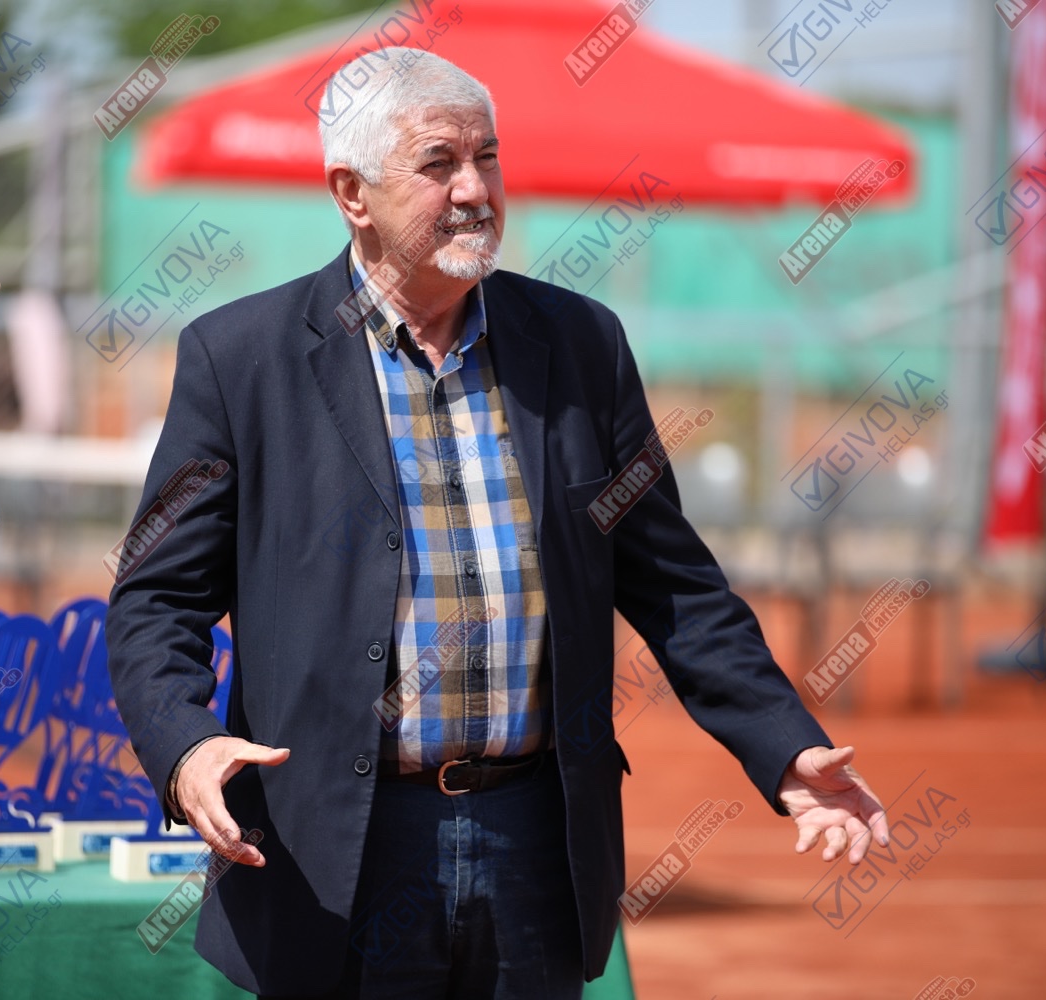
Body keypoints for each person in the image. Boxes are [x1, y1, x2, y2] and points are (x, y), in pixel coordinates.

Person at [106, 46, 889, 1000]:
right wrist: (187, 745)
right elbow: (156, 599)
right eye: (438, 164)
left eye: (487, 157)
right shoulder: (241, 358)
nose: (475, 189)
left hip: (535, 840)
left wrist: (784, 746)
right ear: (352, 193)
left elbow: (673, 583)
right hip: (335, 846)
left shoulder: (581, 343)